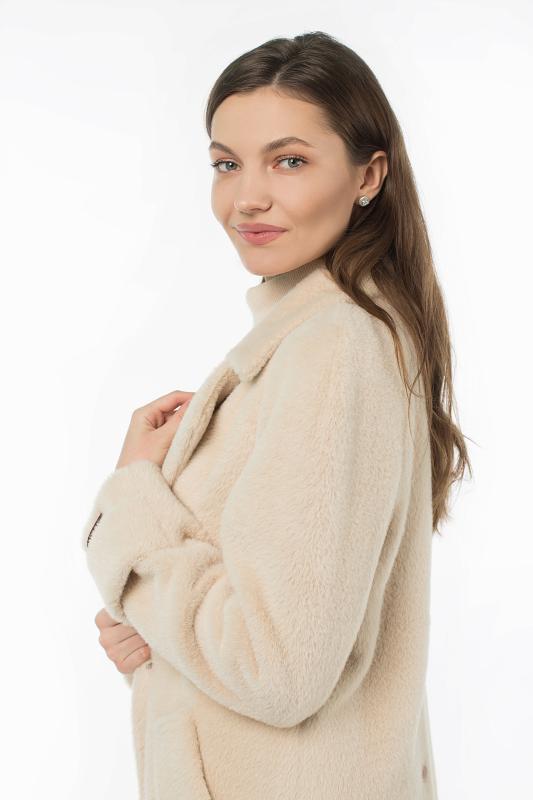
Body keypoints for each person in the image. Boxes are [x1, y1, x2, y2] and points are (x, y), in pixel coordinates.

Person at [81, 30, 471, 800]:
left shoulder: (332, 348)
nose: (246, 198)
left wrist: (132, 503)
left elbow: (277, 672)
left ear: (368, 175)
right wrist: (155, 638)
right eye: (226, 164)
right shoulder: (336, 338)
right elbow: (284, 640)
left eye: (288, 161)